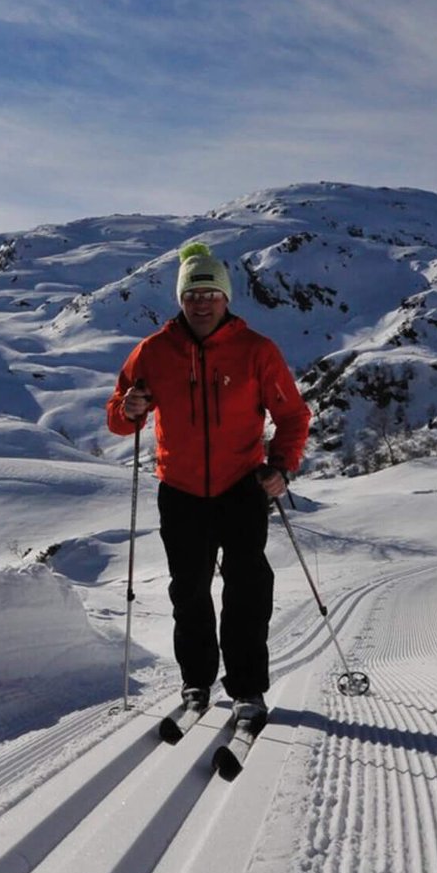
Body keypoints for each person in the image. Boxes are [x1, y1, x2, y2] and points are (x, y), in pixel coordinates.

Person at [106, 241, 311, 723]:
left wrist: (281, 468)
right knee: (189, 591)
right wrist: (129, 410)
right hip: (179, 490)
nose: (201, 302)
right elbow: (119, 416)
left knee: (247, 589)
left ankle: (247, 689)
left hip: (242, 486)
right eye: (192, 293)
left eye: (210, 292)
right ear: (180, 298)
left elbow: (293, 416)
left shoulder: (256, 351)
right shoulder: (153, 352)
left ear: (226, 297)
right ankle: (196, 681)